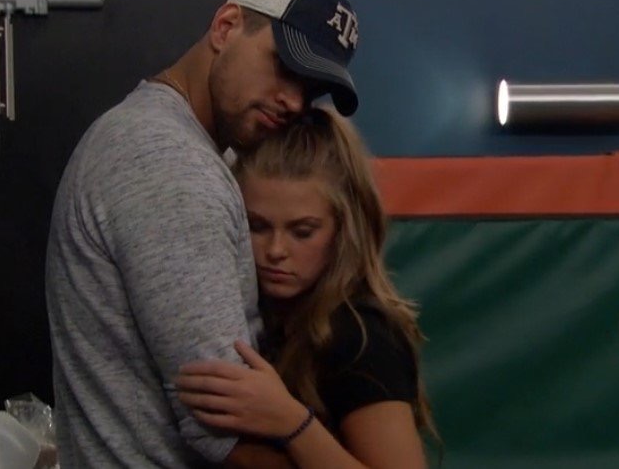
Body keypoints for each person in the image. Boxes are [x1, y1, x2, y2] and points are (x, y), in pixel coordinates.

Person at [45, 0, 361, 468]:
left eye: (310, 89)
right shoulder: (170, 165)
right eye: (284, 66)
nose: (293, 101)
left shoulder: (171, 142)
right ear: (226, 26)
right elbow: (227, 434)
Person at [174, 107, 440, 469]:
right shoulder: (257, 315)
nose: (275, 250)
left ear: (343, 230)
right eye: (257, 226)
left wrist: (291, 422)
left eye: (302, 232)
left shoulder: (359, 336)